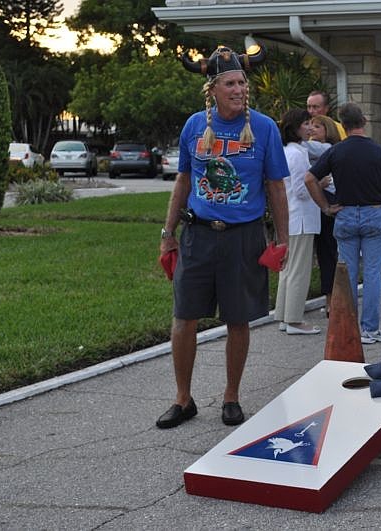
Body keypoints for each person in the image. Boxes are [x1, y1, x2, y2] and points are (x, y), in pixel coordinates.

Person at [156, 45, 289, 429]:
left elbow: (275, 186)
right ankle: (183, 399)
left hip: (244, 238)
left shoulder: (263, 128)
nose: (239, 90)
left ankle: (231, 396)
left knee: (239, 319)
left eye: (242, 83)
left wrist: (282, 240)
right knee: (184, 317)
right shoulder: (194, 126)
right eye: (230, 83)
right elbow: (183, 180)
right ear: (212, 89)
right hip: (198, 235)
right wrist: (168, 234)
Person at [305, 102, 381, 344]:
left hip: (345, 212)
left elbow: (309, 179)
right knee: (371, 273)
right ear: (364, 122)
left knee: (346, 274)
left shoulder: (336, 151)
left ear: (343, 125)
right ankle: (370, 329)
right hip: (374, 212)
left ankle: (347, 328)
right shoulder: (380, 152)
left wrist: (326, 207)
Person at [274, 109, 321, 335]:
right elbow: (303, 190)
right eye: (306, 124)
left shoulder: (285, 151)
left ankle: (284, 316)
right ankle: (294, 320)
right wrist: (321, 182)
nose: (310, 128)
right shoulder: (299, 154)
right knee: (299, 270)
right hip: (301, 218)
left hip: (289, 217)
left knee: (288, 269)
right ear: (295, 128)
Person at [309, 114, 342, 314]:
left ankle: (333, 300)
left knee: (329, 253)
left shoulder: (328, 149)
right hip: (315, 206)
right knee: (324, 255)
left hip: (328, 202)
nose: (311, 129)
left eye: (317, 126)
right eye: (309, 125)